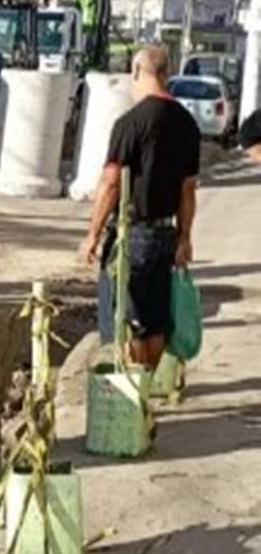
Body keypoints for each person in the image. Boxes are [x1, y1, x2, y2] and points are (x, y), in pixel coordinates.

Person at [80, 45, 200, 370]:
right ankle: (144, 385)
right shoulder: (187, 124)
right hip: (167, 232)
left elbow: (110, 183)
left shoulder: (131, 123)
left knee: (124, 318)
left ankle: (131, 395)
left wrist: (92, 234)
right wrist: (184, 237)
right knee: (156, 322)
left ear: (136, 71)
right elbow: (188, 190)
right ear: (166, 73)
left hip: (132, 234)